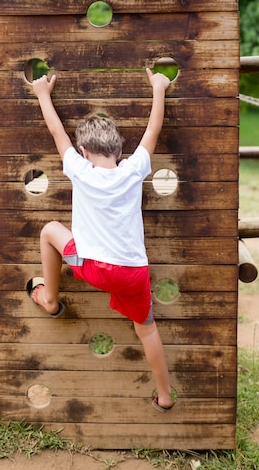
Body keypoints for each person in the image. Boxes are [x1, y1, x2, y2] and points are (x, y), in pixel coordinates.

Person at [28, 67, 174, 412]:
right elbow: (154, 128)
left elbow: (56, 131)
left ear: (84, 152)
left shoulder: (79, 170)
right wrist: (159, 88)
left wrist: (43, 95)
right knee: (148, 330)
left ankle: (50, 298)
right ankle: (165, 396)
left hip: (90, 267)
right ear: (119, 152)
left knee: (50, 230)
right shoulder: (135, 168)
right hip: (133, 273)